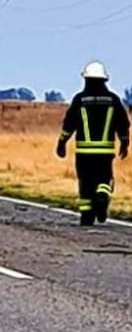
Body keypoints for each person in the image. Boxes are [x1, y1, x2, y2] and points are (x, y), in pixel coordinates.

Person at [57, 60, 130, 225]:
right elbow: (123, 123)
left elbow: (69, 123)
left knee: (86, 182)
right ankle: (102, 196)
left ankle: (87, 215)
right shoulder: (113, 100)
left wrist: (62, 143)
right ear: (105, 80)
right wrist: (125, 142)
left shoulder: (80, 99)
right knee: (104, 178)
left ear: (86, 79)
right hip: (105, 152)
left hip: (84, 152)